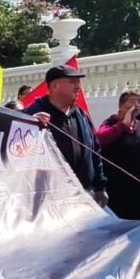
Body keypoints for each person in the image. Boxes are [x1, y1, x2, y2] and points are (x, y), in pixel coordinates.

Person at [23, 65, 108, 206]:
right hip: (49, 201)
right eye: (72, 82)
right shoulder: (31, 115)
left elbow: (95, 151)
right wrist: (29, 125)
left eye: (78, 82)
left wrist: (100, 186)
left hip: (84, 195)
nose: (78, 87)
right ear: (54, 86)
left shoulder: (81, 115)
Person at [97, 90, 140, 219]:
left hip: (138, 185)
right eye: (132, 101)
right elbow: (100, 139)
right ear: (121, 106)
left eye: (139, 102)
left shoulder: (139, 125)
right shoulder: (111, 123)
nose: (136, 105)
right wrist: (122, 125)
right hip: (117, 186)